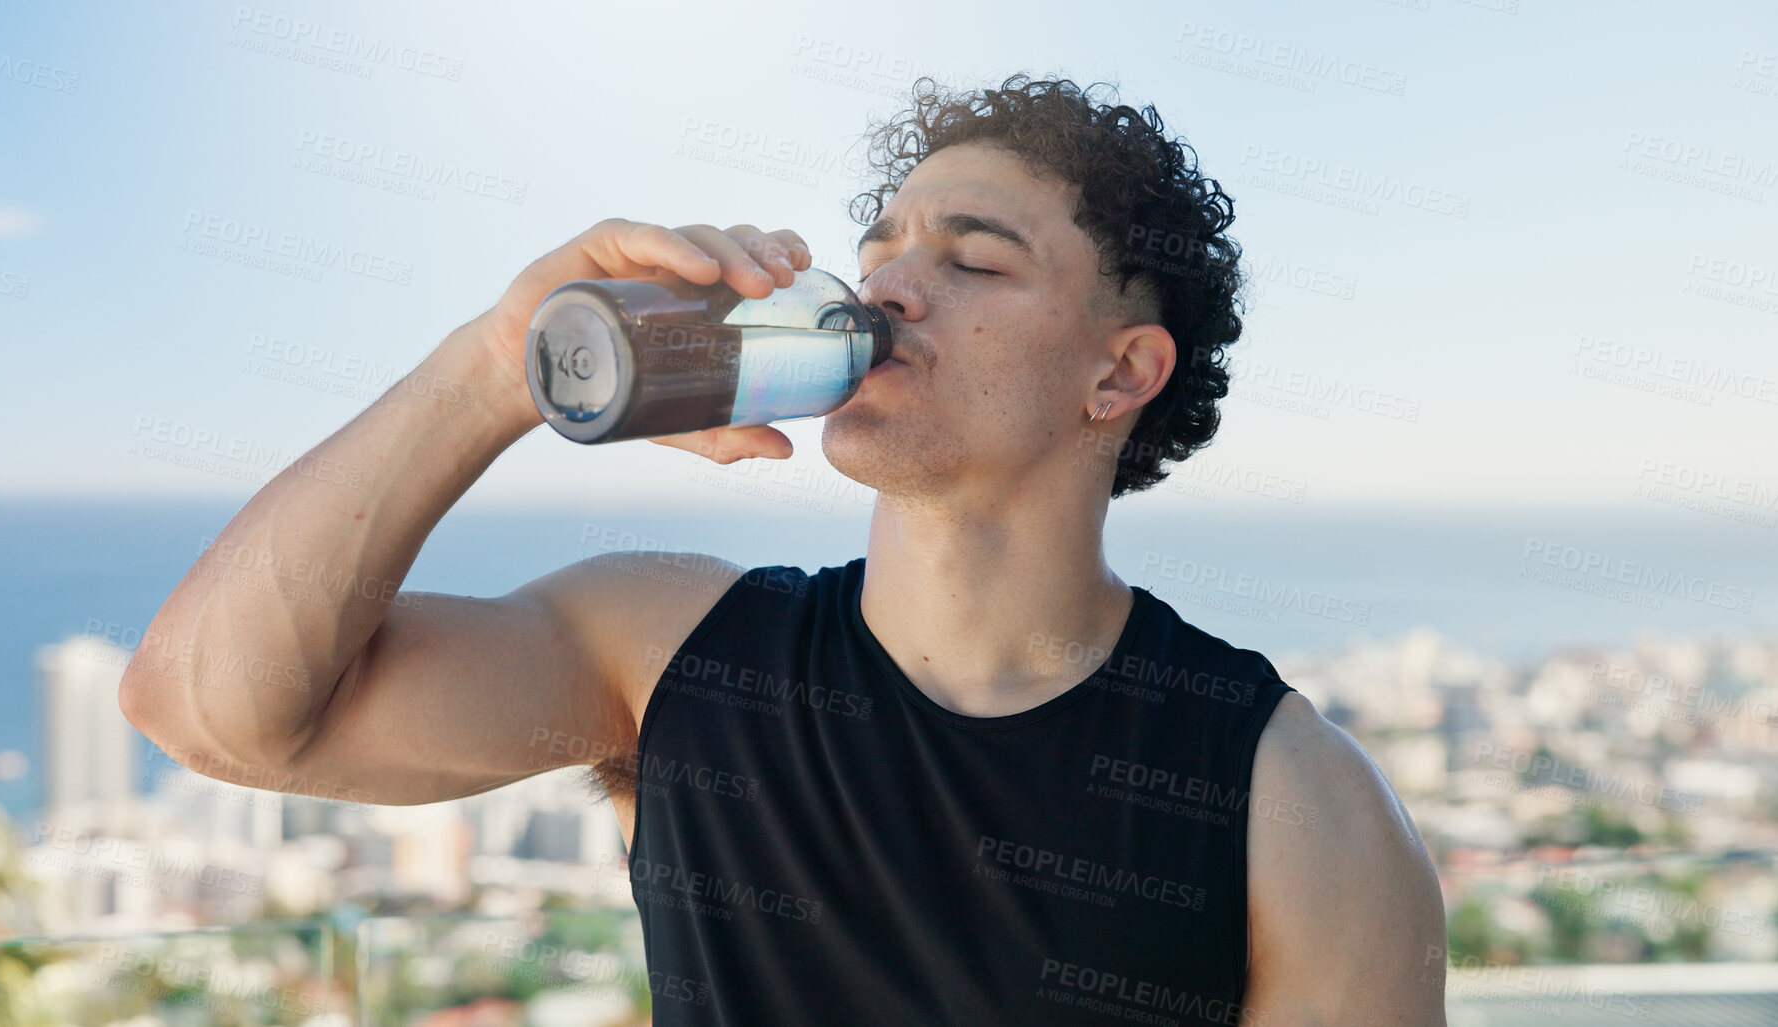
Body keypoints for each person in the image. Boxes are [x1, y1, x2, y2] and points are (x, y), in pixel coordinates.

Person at [120, 73, 1447, 1025]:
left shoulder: (1295, 801)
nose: (890, 287)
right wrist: (495, 368)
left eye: (974, 261)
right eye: (885, 246)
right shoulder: (668, 653)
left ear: (1118, 374)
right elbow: (209, 710)